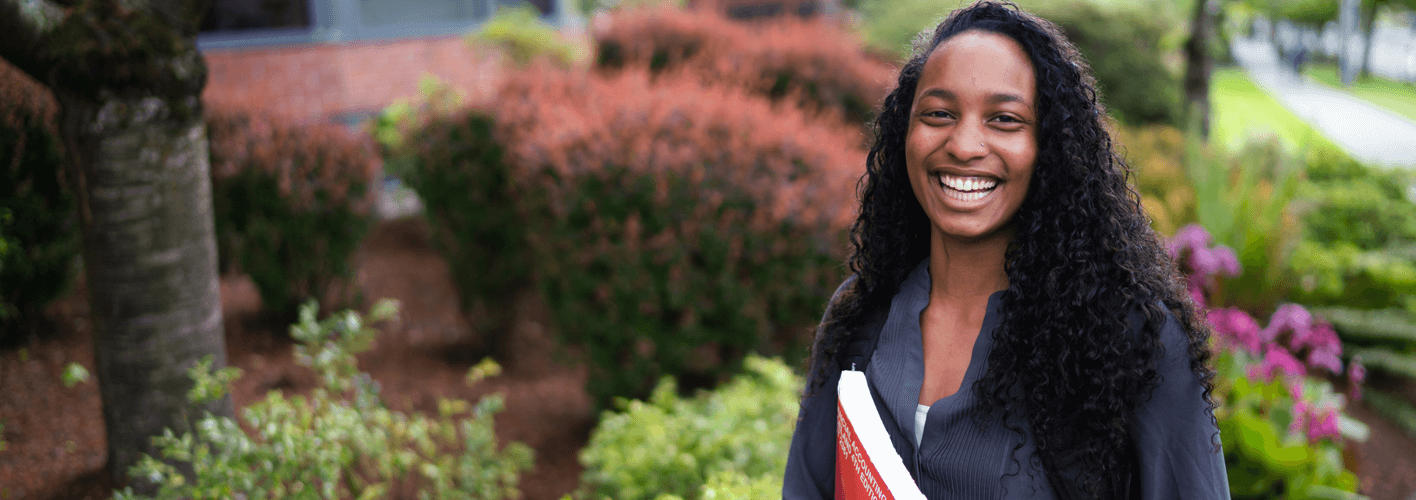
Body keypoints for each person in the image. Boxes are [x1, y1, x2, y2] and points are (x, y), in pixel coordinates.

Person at [782, 2, 1230, 499]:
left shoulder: (1132, 340)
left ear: (1050, 147)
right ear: (904, 131)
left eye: (1004, 119)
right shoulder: (860, 316)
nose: (965, 144)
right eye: (938, 114)